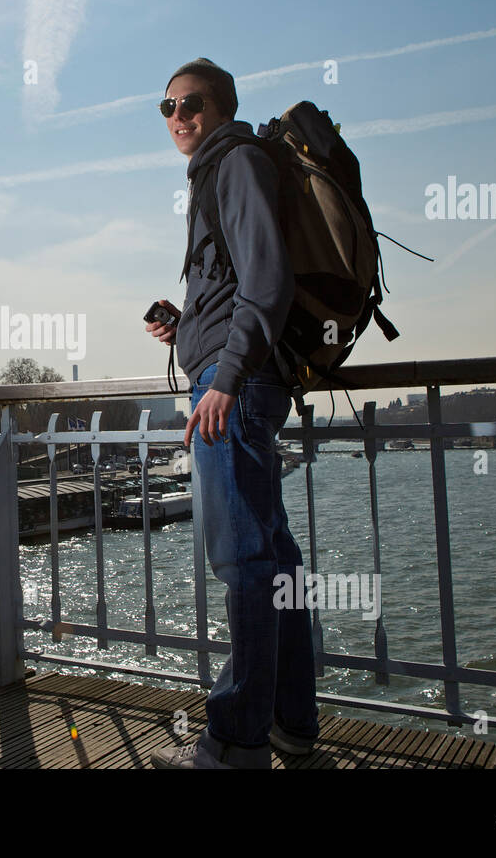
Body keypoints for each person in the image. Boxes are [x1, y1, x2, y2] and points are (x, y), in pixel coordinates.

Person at [146, 58, 320, 769]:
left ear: (221, 108)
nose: (178, 117)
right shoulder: (219, 171)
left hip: (234, 389)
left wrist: (224, 373)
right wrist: (185, 324)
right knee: (274, 559)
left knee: (243, 562)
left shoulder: (237, 162)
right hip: (236, 377)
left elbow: (268, 278)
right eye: (166, 107)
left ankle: (235, 742)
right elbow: (241, 283)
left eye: (191, 103)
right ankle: (290, 723)